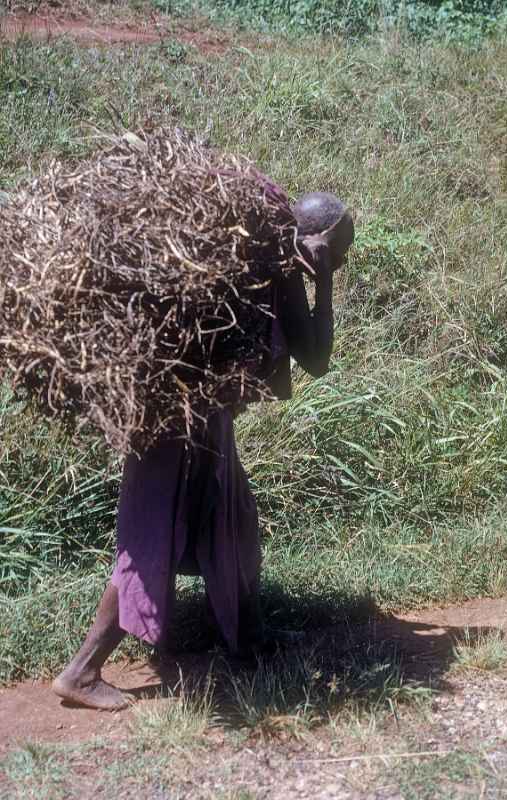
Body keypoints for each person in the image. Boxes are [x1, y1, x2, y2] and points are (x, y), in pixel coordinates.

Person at [52, 190, 354, 711]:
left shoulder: (266, 262)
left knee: (231, 521)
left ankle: (247, 637)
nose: (341, 261)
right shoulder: (258, 261)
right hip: (171, 421)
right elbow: (317, 358)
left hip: (204, 419)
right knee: (153, 542)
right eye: (339, 251)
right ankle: (81, 671)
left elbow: (295, 355)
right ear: (316, 240)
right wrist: (323, 278)